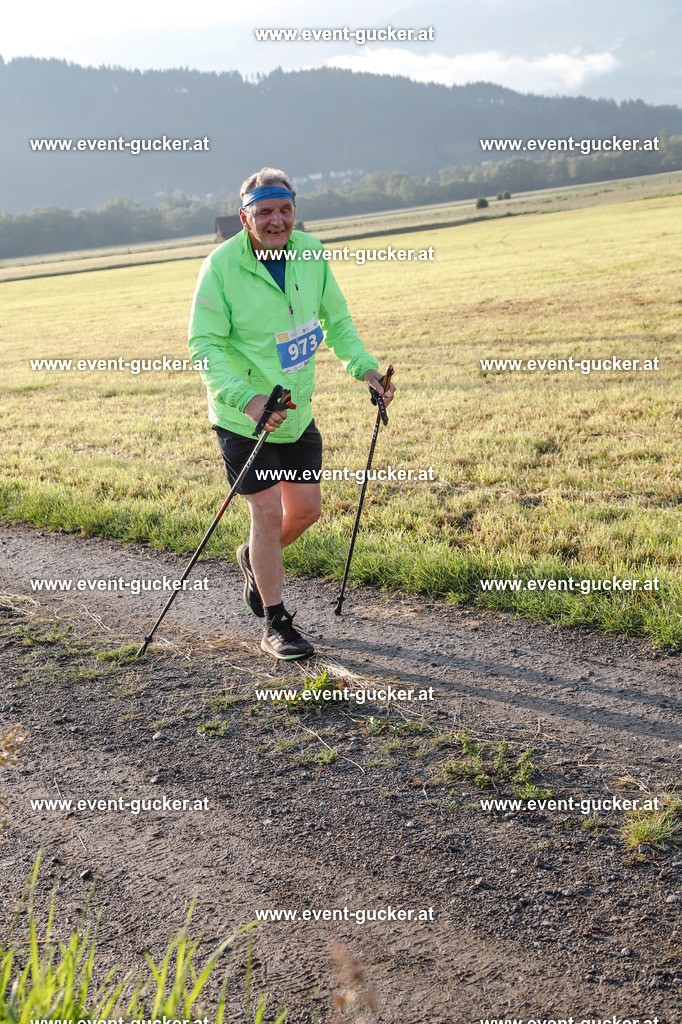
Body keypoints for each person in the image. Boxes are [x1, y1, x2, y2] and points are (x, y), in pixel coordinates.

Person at [188, 167, 395, 660]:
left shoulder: (310, 252)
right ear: (245, 218)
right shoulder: (220, 267)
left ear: (294, 212)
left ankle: (253, 560)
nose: (276, 221)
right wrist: (248, 398)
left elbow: (336, 321)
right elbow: (203, 345)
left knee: (305, 512)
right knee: (268, 511)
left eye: (284, 210)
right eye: (264, 212)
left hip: (296, 413)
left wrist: (366, 370)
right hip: (245, 418)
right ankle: (275, 623)